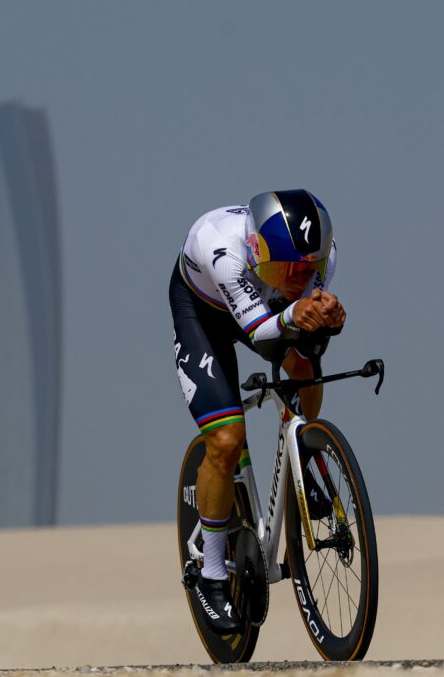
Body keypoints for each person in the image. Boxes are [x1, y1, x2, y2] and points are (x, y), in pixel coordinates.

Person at [169, 189, 346, 635]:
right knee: (226, 440)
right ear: (255, 250)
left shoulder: (321, 256)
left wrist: (327, 317)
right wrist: (296, 312)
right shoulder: (223, 250)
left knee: (305, 368)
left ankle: (305, 460)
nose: (296, 278)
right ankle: (211, 575)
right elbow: (261, 331)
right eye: (283, 268)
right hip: (204, 314)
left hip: (264, 306)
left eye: (305, 270)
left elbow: (301, 325)